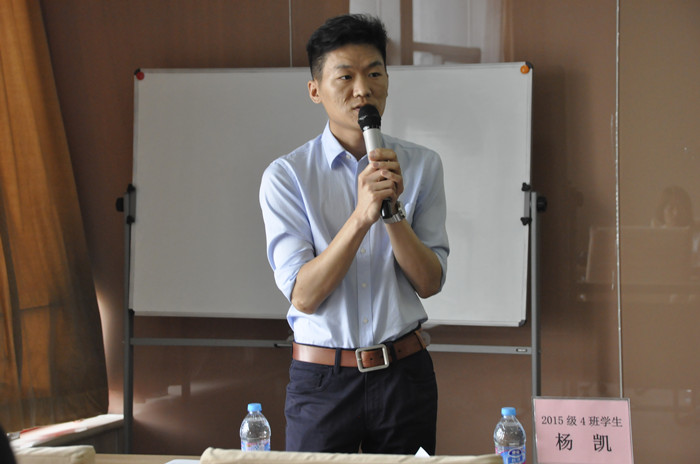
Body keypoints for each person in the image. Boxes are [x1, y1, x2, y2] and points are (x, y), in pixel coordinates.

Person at [259, 14, 449, 454]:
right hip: (322, 381)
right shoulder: (287, 176)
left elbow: (429, 282)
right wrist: (361, 217)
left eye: (374, 73)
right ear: (315, 90)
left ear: (387, 81)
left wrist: (392, 213)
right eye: (345, 76)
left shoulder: (423, 165)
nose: (363, 89)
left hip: (404, 374)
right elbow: (304, 295)